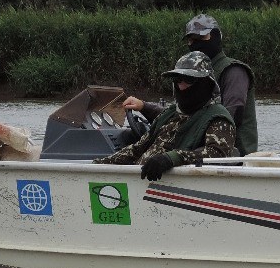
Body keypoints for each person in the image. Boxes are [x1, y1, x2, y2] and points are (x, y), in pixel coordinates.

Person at [122, 13, 258, 154]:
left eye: (201, 38)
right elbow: (182, 116)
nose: (196, 44)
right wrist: (144, 107)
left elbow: (231, 115)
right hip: (192, 152)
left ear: (216, 36)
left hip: (230, 156)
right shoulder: (190, 73)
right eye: (191, 40)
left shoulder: (233, 71)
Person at [96, 51, 237, 180]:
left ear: (206, 83)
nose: (181, 86)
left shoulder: (217, 118)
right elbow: (137, 148)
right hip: (138, 181)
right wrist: (98, 165)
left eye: (189, 80)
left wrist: (171, 158)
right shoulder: (170, 114)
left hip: (173, 190)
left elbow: (217, 155)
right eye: (177, 80)